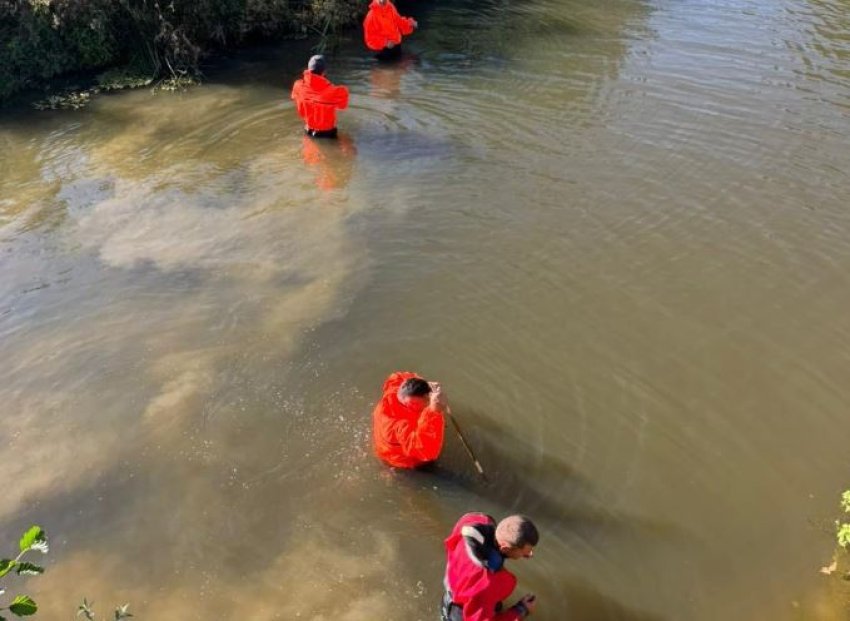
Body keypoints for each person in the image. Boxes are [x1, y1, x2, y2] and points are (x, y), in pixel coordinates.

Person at [442, 513, 539, 621]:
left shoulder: (473, 521)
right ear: (505, 549)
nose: (530, 553)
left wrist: (519, 553)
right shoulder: (488, 583)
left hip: (452, 592)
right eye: (525, 551)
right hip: (459, 614)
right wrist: (521, 610)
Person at [372, 371, 446, 468]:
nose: (429, 401)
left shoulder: (395, 390)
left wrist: (424, 383)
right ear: (411, 405)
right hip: (400, 460)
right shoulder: (399, 426)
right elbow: (427, 452)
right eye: (427, 400)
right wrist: (434, 411)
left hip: (387, 444)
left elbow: (398, 376)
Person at [290, 54, 349, 138]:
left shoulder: (298, 86)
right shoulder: (334, 91)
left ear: (308, 69)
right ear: (324, 72)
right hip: (328, 133)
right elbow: (342, 106)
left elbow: (294, 97)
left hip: (308, 129)